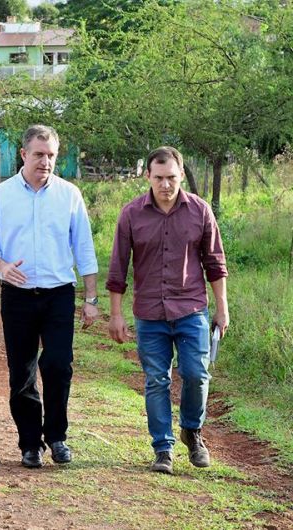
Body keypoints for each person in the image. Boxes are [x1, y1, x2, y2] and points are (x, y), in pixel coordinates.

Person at [0, 125, 99, 468]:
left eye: (51, 156)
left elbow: (84, 248)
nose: (45, 161)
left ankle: (56, 435)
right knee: (22, 371)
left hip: (59, 293)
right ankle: (30, 444)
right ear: (23, 154)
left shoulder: (69, 194)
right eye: (39, 154)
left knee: (58, 365)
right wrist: (1, 265)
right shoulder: (0, 195)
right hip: (17, 296)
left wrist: (91, 299)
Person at [107, 146, 229, 475]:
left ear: (181, 175)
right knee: (156, 381)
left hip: (191, 309)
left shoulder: (200, 211)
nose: (165, 185)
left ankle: (192, 430)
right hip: (148, 313)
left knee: (195, 374)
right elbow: (118, 268)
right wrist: (116, 314)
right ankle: (163, 448)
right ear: (148, 176)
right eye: (159, 178)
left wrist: (222, 308)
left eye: (172, 177)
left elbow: (215, 264)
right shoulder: (131, 214)